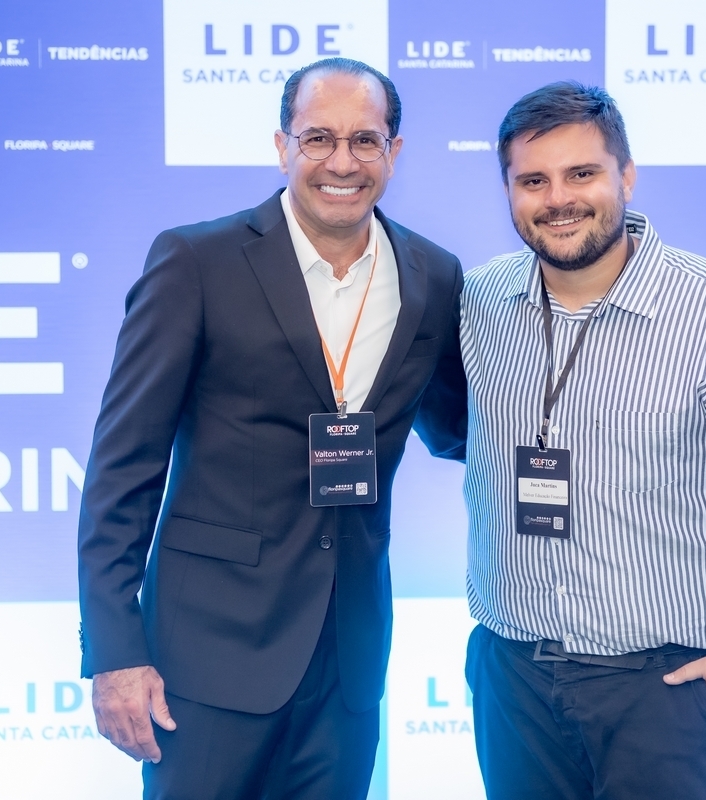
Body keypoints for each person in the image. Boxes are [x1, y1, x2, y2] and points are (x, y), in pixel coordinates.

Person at [76, 58, 466, 799]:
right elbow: (124, 467)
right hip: (206, 659)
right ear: (282, 146)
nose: (342, 163)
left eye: (365, 140)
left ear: (394, 151)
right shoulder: (197, 261)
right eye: (319, 138)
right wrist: (114, 650)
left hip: (348, 665)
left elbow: (459, 426)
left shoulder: (434, 275)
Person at [460, 81, 706, 799]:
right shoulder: (480, 304)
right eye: (533, 181)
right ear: (508, 190)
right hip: (516, 684)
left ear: (626, 176)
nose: (558, 199)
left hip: (669, 692)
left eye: (582, 174)